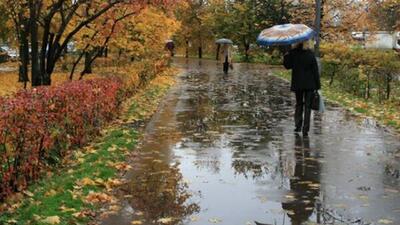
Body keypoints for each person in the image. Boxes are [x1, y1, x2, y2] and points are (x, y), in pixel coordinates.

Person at [283, 41, 320, 137]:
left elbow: (287, 66)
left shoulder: (293, 53)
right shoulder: (310, 54)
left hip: (298, 83)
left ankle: (298, 126)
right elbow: (315, 71)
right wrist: (317, 86)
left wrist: (286, 55)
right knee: (308, 106)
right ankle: (305, 129)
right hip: (310, 84)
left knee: (299, 104)